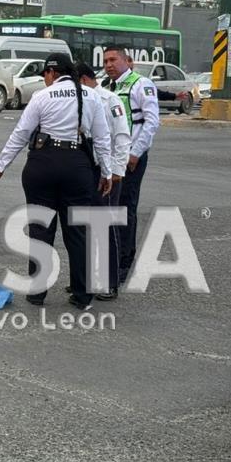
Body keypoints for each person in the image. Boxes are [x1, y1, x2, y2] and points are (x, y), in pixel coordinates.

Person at [0, 53, 112, 310]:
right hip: (77, 167)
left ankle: (37, 293)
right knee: (77, 232)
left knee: (40, 229)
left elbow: (21, 134)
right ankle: (82, 295)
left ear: (51, 73)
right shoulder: (92, 97)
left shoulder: (42, 97)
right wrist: (107, 173)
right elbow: (102, 139)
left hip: (42, 165)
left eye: (45, 75)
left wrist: (1, 166)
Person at [101, 45, 159, 287]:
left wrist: (135, 153)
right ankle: (108, 259)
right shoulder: (106, 86)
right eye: (105, 61)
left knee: (125, 208)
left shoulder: (140, 84)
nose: (109, 65)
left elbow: (152, 121)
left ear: (128, 61)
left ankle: (124, 262)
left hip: (131, 158)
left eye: (113, 59)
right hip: (111, 158)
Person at [76, 61, 131, 300]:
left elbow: (121, 137)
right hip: (86, 172)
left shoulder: (110, 100)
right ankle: (87, 279)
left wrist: (117, 171)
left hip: (107, 173)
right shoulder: (80, 100)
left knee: (105, 227)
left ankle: (109, 282)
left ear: (84, 80)